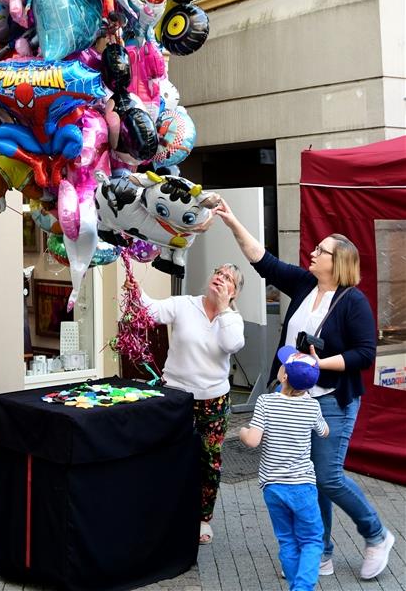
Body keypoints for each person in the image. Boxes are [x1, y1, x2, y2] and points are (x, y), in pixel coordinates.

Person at [217, 200, 395, 580]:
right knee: (306, 475)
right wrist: (232, 220)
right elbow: (262, 259)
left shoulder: (353, 302)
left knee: (328, 476)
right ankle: (322, 549)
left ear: (338, 261)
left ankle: (377, 534)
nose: (312, 253)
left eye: (320, 251)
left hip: (332, 400)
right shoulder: (303, 283)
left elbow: (365, 354)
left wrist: (318, 364)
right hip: (295, 399)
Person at [127, 263, 245, 545]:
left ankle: (203, 519)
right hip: (177, 397)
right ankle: (163, 513)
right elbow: (150, 310)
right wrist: (134, 286)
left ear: (234, 292)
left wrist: (224, 309)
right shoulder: (184, 305)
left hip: (213, 401)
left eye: (228, 278)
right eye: (217, 272)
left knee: (208, 462)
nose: (219, 277)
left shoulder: (233, 319)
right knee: (167, 455)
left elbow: (232, 344)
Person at [241, 346, 329, 591]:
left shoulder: (266, 402)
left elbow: (252, 440)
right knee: (312, 540)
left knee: (287, 540)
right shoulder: (312, 407)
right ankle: (302, 588)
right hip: (303, 486)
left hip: (273, 487)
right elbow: (324, 432)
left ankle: (295, 586)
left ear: (284, 376)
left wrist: (242, 431)